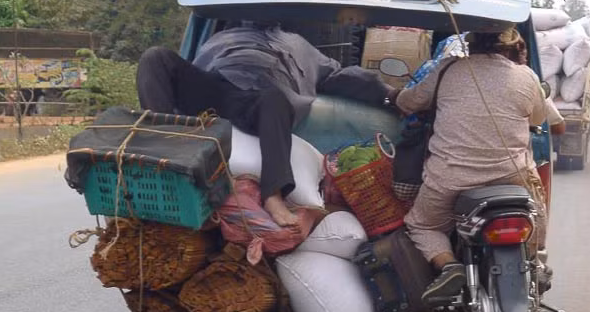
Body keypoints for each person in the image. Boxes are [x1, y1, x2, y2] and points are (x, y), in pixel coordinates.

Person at [136, 23, 396, 226]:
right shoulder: (224, 36)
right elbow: (189, 70)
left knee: (274, 98)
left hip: (258, 99)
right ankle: (163, 160)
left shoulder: (300, 45)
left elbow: (342, 76)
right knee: (155, 57)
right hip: (215, 88)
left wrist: (390, 95)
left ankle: (273, 196)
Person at [395, 27, 549, 304]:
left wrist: (397, 97)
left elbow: (410, 101)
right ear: (510, 48)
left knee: (423, 225)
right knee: (534, 210)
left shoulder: (447, 69)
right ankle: (535, 264)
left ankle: (450, 267)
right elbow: (538, 118)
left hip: (450, 178)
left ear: (471, 44)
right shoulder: (526, 76)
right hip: (511, 176)